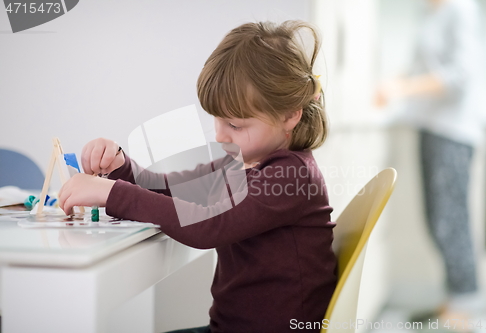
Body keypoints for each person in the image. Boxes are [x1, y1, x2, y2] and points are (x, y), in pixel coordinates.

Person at [59, 21, 336, 333]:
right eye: (216, 119)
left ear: (290, 115)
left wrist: (112, 193)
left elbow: (209, 226)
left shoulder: (290, 176)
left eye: (235, 125)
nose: (220, 135)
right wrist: (119, 167)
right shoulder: (244, 162)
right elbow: (169, 188)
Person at [375, 0, 483, 325]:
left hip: (453, 129)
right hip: (431, 127)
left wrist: (402, 88)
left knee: (450, 221)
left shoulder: (461, 8)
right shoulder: (429, 11)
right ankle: (455, 299)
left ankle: (465, 306)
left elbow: (459, 75)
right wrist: (394, 83)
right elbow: (419, 68)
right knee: (437, 219)